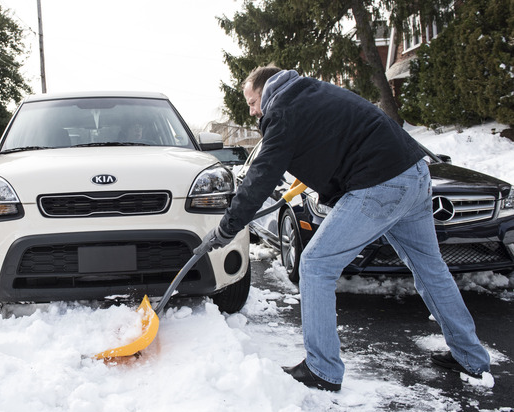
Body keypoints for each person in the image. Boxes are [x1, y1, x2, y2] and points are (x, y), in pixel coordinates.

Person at [194, 66, 491, 391]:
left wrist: (227, 228)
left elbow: (260, 177)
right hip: (415, 172)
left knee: (315, 264)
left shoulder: (282, 109)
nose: (252, 110)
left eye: (252, 102)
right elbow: (338, 140)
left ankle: (322, 369)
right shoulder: (311, 92)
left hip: (381, 184)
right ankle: (471, 357)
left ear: (267, 90)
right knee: (430, 269)